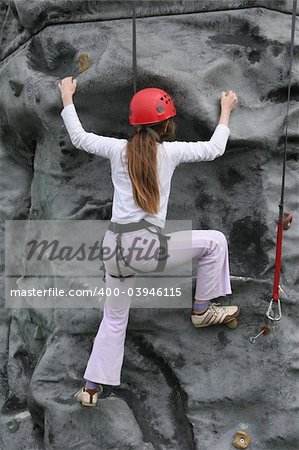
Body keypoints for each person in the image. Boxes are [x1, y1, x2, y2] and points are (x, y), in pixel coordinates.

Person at [58, 77, 239, 407]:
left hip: (114, 248)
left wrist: (67, 97)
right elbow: (215, 149)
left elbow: (80, 138)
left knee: (114, 319)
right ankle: (202, 309)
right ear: (168, 124)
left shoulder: (118, 150)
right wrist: (225, 110)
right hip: (146, 249)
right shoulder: (169, 154)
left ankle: (91, 387)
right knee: (214, 242)